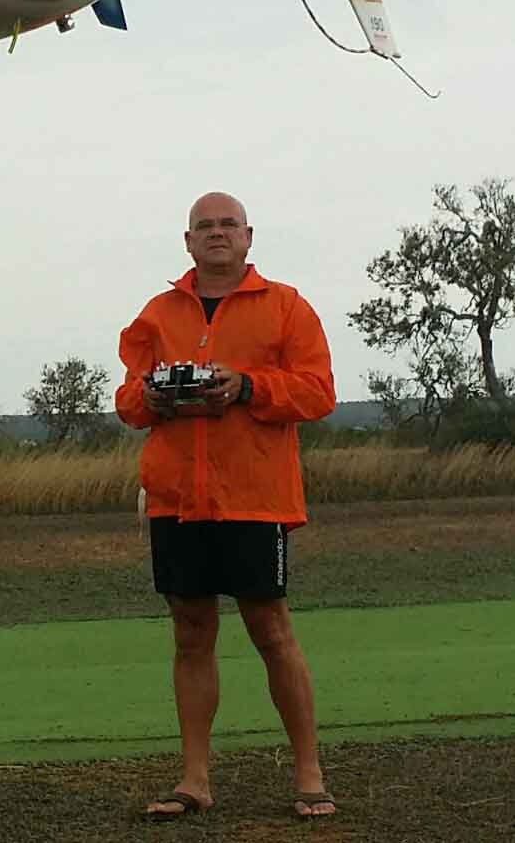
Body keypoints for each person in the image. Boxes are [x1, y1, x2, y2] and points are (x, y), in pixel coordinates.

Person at [116, 191, 337, 821]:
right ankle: (194, 780)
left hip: (254, 498)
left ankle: (309, 775)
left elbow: (319, 392)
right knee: (190, 631)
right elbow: (128, 401)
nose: (217, 234)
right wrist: (153, 397)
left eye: (228, 225)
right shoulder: (158, 314)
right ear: (188, 242)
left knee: (270, 628)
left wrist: (246, 387)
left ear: (248, 236)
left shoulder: (286, 306)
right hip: (177, 499)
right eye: (205, 226)